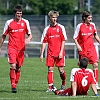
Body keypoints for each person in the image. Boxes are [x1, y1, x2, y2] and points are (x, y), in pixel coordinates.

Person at [0, 4, 32, 93]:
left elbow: (30, 34)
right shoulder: (9, 23)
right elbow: (3, 36)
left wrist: (28, 39)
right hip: (12, 48)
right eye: (18, 13)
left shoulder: (26, 22)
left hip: (21, 49)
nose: (19, 15)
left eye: (20, 13)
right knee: (13, 66)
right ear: (15, 13)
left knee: (18, 68)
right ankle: (13, 85)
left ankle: (15, 84)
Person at [40, 10, 67, 92]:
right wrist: (41, 54)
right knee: (50, 69)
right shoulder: (46, 29)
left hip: (59, 53)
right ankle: (50, 87)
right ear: (49, 18)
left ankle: (63, 83)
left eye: (56, 17)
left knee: (61, 70)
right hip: (50, 53)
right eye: (53, 17)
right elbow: (44, 42)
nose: (55, 19)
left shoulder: (61, 27)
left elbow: (63, 40)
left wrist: (61, 52)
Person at [73, 11, 100, 90]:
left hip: (91, 49)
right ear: (84, 18)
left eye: (91, 18)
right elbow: (74, 38)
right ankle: (82, 84)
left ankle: (95, 83)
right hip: (83, 50)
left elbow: (95, 35)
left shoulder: (93, 25)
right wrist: (78, 46)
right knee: (83, 68)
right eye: (89, 18)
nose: (91, 19)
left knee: (95, 65)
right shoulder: (79, 26)